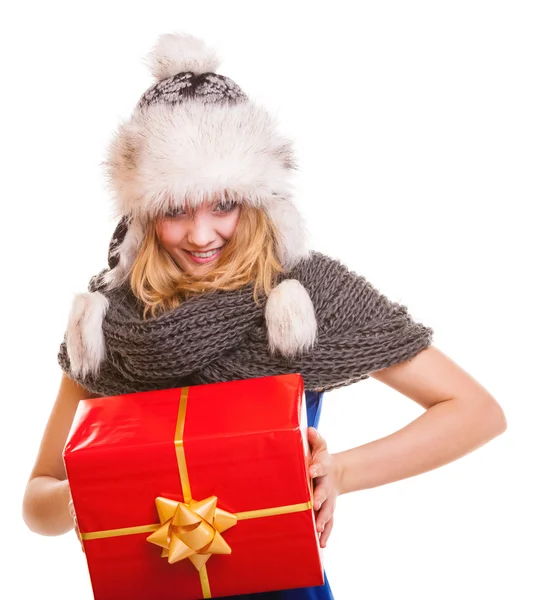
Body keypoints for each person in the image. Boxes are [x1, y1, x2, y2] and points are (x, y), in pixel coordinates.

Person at [22, 33, 507, 599]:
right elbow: (39, 500)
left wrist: (342, 473)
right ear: (144, 212)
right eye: (175, 210)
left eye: (223, 203)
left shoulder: (306, 290)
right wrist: (85, 492)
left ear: (256, 199)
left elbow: (476, 412)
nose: (201, 235)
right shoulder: (108, 322)